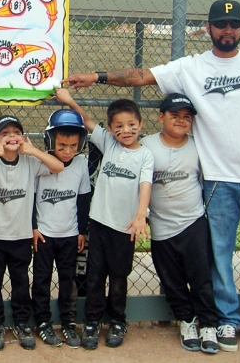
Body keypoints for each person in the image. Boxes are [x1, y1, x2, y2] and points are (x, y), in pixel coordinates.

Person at [63, 0, 240, 352]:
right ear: (209, 28)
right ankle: (227, 321)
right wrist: (96, 77)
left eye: (234, 23)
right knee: (217, 257)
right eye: (221, 24)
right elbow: (140, 77)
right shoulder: (191, 67)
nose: (228, 30)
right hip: (218, 179)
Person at [56, 88, 153, 350]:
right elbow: (86, 120)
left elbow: (145, 184)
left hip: (124, 227)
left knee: (119, 277)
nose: (126, 130)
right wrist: (69, 101)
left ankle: (118, 320)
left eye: (132, 125)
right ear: (110, 129)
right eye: (119, 126)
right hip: (99, 223)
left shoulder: (145, 155)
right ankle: (92, 321)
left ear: (140, 125)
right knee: (95, 275)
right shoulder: (109, 143)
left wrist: (141, 214)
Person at [0, 115, 64, 351]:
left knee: (20, 282)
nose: (11, 137)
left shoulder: (29, 161)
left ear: (23, 137)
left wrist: (34, 150)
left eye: (16, 133)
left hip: (21, 236)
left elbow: (58, 167)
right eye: (5, 134)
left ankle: (21, 322)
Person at [140, 93, 219, 354]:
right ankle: (187, 321)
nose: (181, 121)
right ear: (161, 117)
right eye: (174, 115)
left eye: (187, 117)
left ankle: (208, 324)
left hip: (192, 221)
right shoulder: (147, 145)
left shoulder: (198, 146)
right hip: (161, 226)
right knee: (171, 279)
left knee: (200, 277)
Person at [31, 109, 91, 348]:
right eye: (62, 145)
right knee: (41, 279)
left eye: (73, 146)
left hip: (69, 234)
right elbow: (30, 198)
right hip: (44, 235)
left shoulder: (80, 165)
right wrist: (33, 227)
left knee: (68, 279)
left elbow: (83, 200)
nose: (68, 151)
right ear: (49, 141)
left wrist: (81, 231)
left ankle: (68, 322)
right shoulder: (39, 163)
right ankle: (43, 322)